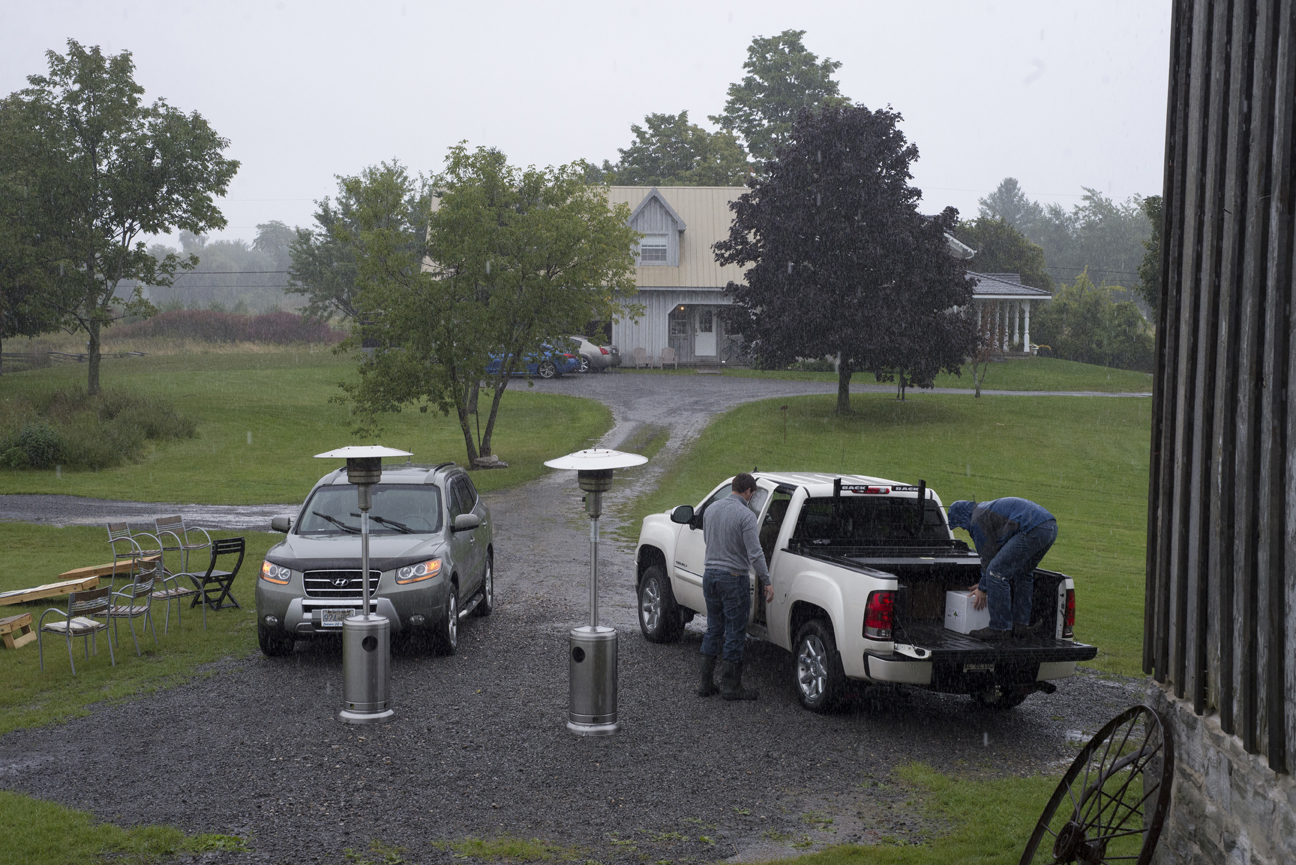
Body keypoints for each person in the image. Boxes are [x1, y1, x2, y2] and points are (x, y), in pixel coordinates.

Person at [698, 473, 775, 700]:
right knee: (734, 630)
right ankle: (731, 686)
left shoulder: (711, 510)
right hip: (733, 578)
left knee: (714, 627)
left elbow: (707, 541)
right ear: (749, 491)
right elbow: (755, 553)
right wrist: (767, 581)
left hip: (709, 576)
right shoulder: (746, 515)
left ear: (733, 487)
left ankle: (705, 683)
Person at [946, 497, 1058, 641]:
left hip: (1032, 528)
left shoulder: (976, 520)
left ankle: (999, 628)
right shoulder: (984, 510)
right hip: (1049, 527)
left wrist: (983, 588)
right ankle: (1020, 625)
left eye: (960, 525)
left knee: (996, 572)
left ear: (962, 517)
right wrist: (983, 585)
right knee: (1023, 573)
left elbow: (988, 557)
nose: (963, 529)